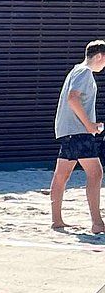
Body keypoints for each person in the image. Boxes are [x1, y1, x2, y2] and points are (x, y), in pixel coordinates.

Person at [51, 41, 105, 234]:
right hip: (79, 132)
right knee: (96, 173)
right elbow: (73, 98)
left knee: (61, 175)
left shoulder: (75, 70)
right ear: (99, 56)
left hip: (68, 131)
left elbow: (73, 99)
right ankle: (98, 223)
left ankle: (57, 221)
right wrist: (90, 125)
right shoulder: (85, 72)